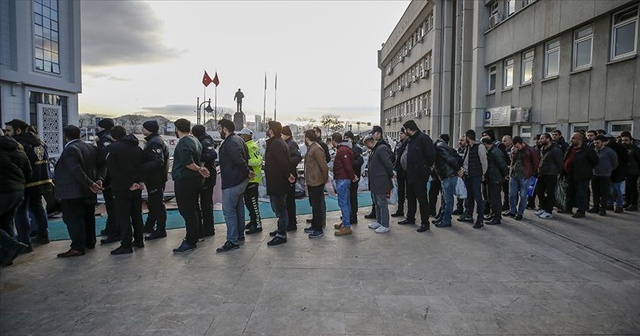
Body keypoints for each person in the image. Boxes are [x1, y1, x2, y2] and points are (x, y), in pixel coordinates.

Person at [54, 125, 102, 258]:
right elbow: (101, 165)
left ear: (65, 136)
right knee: (88, 217)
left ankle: (77, 247)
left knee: (74, 219)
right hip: (87, 191)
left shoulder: (70, 149)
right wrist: (97, 180)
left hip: (73, 191)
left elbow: (76, 170)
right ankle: (90, 241)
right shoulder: (90, 147)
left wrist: (90, 183)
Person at [4, 119, 53, 247]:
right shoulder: (39, 142)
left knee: (21, 212)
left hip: (26, 182)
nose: (6, 134)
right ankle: (43, 235)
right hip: (42, 180)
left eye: (8, 130)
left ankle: (24, 241)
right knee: (37, 207)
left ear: (18, 130)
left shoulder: (19, 144)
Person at [171, 119, 209, 253]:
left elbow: (188, 162)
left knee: (187, 211)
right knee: (195, 208)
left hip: (185, 180)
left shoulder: (184, 142)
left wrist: (198, 169)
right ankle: (198, 234)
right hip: (194, 181)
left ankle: (190, 240)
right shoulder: (195, 140)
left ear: (177, 129)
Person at [106, 126, 145, 255]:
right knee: (136, 214)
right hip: (137, 186)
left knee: (123, 216)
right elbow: (142, 167)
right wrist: (138, 182)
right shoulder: (137, 148)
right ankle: (139, 240)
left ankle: (126, 244)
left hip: (122, 187)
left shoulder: (113, 149)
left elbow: (114, 170)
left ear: (113, 136)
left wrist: (129, 183)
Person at [216, 119, 251, 253]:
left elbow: (238, 160)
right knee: (239, 208)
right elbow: (244, 157)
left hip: (233, 181)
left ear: (225, 129)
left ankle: (232, 240)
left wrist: (247, 171)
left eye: (220, 128)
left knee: (229, 211)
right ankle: (239, 235)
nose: (219, 131)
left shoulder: (230, 142)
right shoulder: (239, 140)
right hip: (240, 180)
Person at [0, 128, 32, 264]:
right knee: (6, 221)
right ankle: (7, 257)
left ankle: (11, 244)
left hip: (2, 191)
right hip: (18, 191)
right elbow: (28, 173)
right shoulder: (19, 151)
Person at [400, 120, 436, 232]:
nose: (405, 132)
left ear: (409, 129)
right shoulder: (411, 139)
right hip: (409, 174)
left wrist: (424, 169)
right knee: (410, 198)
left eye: (405, 130)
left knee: (422, 199)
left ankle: (425, 223)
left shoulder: (423, 139)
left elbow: (431, 156)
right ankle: (410, 217)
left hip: (419, 175)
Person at [264, 121, 295, 246]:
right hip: (276, 181)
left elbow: (283, 163)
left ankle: (281, 234)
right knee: (278, 207)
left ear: (271, 130)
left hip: (278, 183)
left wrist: (288, 175)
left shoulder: (276, 144)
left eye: (268, 128)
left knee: (280, 209)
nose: (266, 130)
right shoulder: (277, 142)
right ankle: (280, 229)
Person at [141, 120, 170, 240]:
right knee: (153, 203)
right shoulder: (157, 140)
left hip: (155, 178)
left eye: (144, 128)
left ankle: (160, 229)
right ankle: (150, 226)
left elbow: (158, 161)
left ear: (149, 129)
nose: (142, 130)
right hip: (156, 177)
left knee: (157, 204)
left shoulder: (154, 142)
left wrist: (141, 168)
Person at [560, 132, 599, 218]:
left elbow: (595, 161)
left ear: (579, 140)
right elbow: (565, 159)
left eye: (573, 138)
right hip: (569, 174)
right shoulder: (570, 148)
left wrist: (585, 168)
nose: (571, 140)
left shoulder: (587, 150)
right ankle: (568, 208)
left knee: (581, 194)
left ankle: (581, 211)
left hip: (582, 176)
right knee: (569, 192)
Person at [364, 135, 394, 233]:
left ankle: (385, 224)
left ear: (370, 142)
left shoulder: (381, 149)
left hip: (381, 180)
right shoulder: (375, 149)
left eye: (366, 144)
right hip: (375, 181)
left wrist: (390, 174)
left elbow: (388, 163)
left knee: (382, 203)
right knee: (376, 202)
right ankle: (379, 221)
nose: (366, 147)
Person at [192, 125, 218, 238]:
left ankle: (208, 229)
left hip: (207, 177)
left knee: (206, 204)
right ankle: (206, 228)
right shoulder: (204, 140)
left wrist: (198, 158)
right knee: (205, 203)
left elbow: (212, 155)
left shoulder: (205, 141)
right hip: (206, 176)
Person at [504, 136, 539, 221]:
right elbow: (512, 161)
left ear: (522, 143)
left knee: (523, 196)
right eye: (515, 146)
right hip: (514, 175)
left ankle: (520, 213)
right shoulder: (514, 149)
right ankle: (512, 210)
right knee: (512, 194)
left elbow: (535, 163)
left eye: (517, 146)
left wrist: (532, 173)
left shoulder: (531, 150)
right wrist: (510, 172)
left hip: (525, 176)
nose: (516, 148)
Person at [433, 134, 463, 228]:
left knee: (448, 199)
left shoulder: (439, 147)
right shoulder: (440, 146)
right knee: (444, 198)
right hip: (445, 175)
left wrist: (458, 169)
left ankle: (446, 220)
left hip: (448, 175)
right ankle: (442, 217)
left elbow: (449, 159)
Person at [302, 130, 329, 238]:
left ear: (307, 138)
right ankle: (314, 225)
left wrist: (325, 178)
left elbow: (323, 165)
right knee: (314, 205)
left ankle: (318, 229)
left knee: (317, 205)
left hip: (316, 181)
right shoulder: (311, 147)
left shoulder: (316, 148)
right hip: (312, 180)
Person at [459, 129, 487, 229]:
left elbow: (484, 162)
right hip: (467, 175)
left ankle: (480, 219)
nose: (463, 139)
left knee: (478, 197)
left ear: (468, 137)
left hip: (475, 175)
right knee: (468, 197)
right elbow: (465, 161)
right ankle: (468, 215)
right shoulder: (468, 147)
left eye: (464, 137)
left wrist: (482, 173)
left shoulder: (480, 147)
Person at [331, 132, 358, 236]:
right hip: (343, 178)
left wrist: (352, 177)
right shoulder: (344, 149)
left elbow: (348, 166)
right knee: (346, 202)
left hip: (342, 179)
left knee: (343, 203)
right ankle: (346, 222)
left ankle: (347, 226)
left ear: (334, 140)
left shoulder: (342, 151)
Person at [96, 118, 118, 244]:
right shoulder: (110, 138)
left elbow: (104, 158)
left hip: (109, 177)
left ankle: (114, 229)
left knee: (112, 206)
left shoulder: (105, 139)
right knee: (112, 205)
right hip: (111, 177)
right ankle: (111, 227)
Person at [239, 128, 264, 235]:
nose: (240, 137)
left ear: (246, 136)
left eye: (242, 135)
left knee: (253, 203)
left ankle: (258, 224)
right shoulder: (246, 145)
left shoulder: (252, 146)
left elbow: (258, 161)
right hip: (248, 179)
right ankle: (253, 220)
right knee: (249, 202)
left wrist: (244, 162)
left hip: (253, 179)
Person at [534, 133, 564, 219]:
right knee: (539, 191)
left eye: (542, 138)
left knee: (550, 193)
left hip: (551, 174)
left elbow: (560, 163)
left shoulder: (555, 149)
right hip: (542, 173)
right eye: (540, 138)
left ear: (548, 139)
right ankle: (542, 208)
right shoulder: (543, 148)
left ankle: (548, 211)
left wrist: (559, 173)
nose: (540, 140)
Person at [481, 137, 509, 225]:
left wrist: (505, 175)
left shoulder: (495, 152)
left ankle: (497, 217)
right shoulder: (491, 151)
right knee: (491, 198)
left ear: (485, 144)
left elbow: (502, 164)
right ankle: (494, 214)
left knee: (495, 199)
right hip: (491, 178)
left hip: (496, 178)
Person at [589, 135, 618, 216]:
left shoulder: (610, 152)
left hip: (605, 175)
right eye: (594, 143)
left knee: (604, 193)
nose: (596, 144)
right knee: (595, 192)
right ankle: (595, 207)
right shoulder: (594, 151)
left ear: (603, 143)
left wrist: (608, 170)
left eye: (597, 143)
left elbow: (614, 163)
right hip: (595, 174)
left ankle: (603, 209)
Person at [282, 125, 302, 231]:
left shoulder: (291, 144)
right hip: (288, 174)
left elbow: (297, 157)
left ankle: (292, 222)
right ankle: (289, 221)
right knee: (288, 201)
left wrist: (286, 162)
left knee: (289, 200)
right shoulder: (287, 143)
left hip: (290, 175)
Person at [344, 131, 363, 223]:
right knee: (347, 197)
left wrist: (348, 163)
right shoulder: (345, 148)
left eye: (348, 138)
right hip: (346, 176)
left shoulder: (356, 149)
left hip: (354, 176)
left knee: (352, 196)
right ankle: (347, 213)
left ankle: (353, 215)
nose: (346, 140)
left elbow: (359, 162)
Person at [606, 134, 628, 213]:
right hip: (614, 171)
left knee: (616, 189)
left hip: (617, 171)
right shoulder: (619, 147)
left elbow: (624, 159)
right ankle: (611, 204)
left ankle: (618, 205)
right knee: (611, 189)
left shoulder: (616, 148)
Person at [391, 129, 408, 217]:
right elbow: (394, 157)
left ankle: (410, 213)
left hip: (407, 171)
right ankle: (400, 209)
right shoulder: (398, 144)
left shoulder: (409, 144)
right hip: (399, 170)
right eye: (399, 134)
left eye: (402, 133)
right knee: (400, 191)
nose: (400, 135)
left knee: (409, 192)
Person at [622, 133, 640, 211]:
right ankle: (628, 202)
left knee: (633, 188)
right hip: (626, 171)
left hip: (634, 171)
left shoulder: (635, 149)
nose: (624, 142)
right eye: (623, 140)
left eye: (626, 140)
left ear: (631, 140)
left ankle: (634, 204)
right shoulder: (624, 148)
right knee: (627, 188)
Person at [453, 136, 467, 216]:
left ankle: (467, 210)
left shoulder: (467, 150)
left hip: (466, 174)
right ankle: (459, 208)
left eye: (462, 140)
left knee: (466, 192)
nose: (460, 142)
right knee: (459, 191)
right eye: (459, 140)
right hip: (459, 173)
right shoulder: (457, 151)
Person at [501, 135, 513, 211]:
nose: (503, 142)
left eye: (505, 141)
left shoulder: (512, 149)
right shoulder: (503, 149)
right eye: (502, 141)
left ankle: (511, 206)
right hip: (504, 172)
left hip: (511, 172)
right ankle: (506, 204)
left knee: (511, 191)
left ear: (510, 141)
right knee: (505, 190)